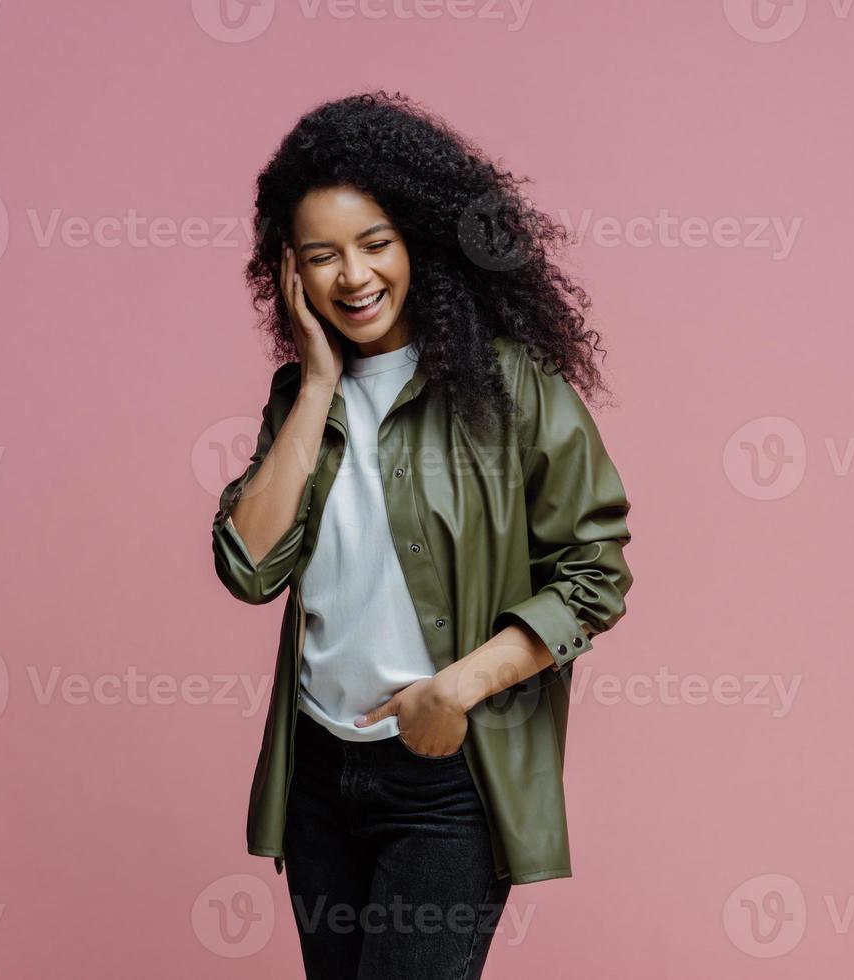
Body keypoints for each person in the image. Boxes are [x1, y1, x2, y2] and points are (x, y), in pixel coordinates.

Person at [211, 90, 635, 979]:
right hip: (318, 778)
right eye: (322, 256)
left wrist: (457, 690)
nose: (352, 277)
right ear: (290, 271)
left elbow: (593, 572)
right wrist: (320, 383)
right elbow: (249, 569)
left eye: (375, 244)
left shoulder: (512, 386)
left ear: (421, 242)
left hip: (448, 780)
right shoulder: (300, 401)